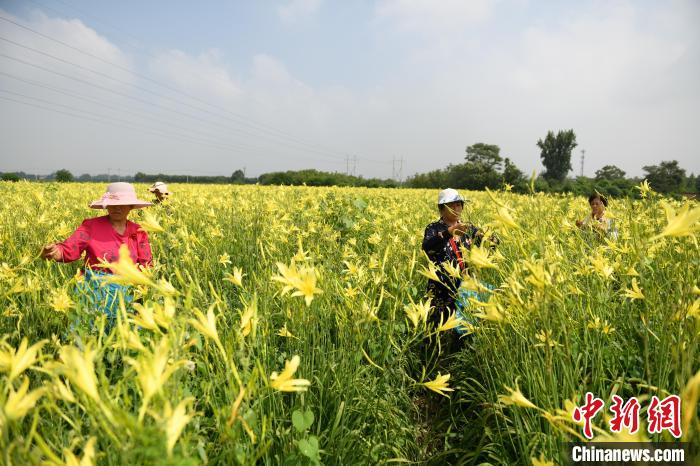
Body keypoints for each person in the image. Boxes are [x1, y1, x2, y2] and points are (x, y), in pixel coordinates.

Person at [41, 182, 153, 330]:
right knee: (89, 337)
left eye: (122, 204)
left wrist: (142, 295)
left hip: (128, 294)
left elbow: (147, 265)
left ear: (131, 206)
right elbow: (69, 249)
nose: (117, 208)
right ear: (106, 205)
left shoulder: (139, 231)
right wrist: (54, 252)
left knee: (123, 342)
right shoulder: (91, 226)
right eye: (112, 204)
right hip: (94, 293)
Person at [422, 188, 496, 328]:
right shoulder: (433, 228)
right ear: (442, 209)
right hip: (441, 289)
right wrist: (449, 232)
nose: (457, 208)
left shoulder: (468, 228)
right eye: (451, 205)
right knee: (439, 328)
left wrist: (490, 238)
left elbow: (491, 245)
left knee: (465, 327)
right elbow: (427, 247)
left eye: (459, 204)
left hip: (465, 286)